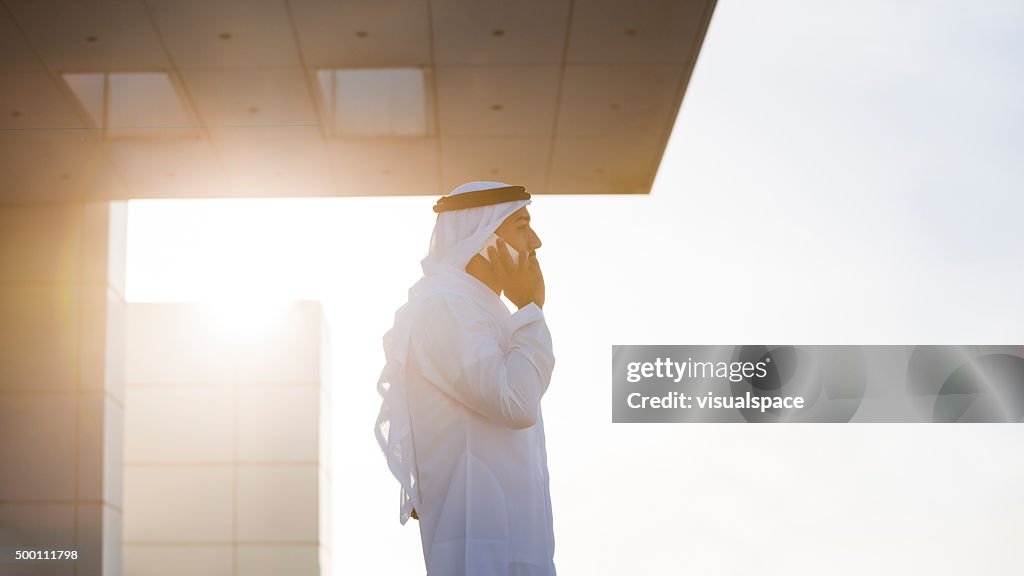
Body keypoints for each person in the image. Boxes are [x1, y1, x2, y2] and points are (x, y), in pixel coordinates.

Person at [375, 181, 557, 575]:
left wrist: (526, 314)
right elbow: (516, 402)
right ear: (483, 239)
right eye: (522, 226)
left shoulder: (483, 310)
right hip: (479, 550)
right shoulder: (443, 309)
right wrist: (531, 308)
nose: (536, 242)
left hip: (514, 548)